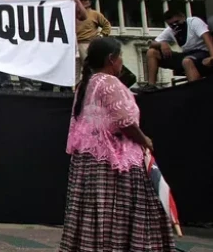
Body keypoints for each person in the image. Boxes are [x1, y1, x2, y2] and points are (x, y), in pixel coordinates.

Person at [59, 37, 174, 252]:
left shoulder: (85, 84)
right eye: (120, 57)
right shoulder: (109, 83)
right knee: (119, 213)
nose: (122, 62)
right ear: (111, 59)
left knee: (95, 215)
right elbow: (125, 122)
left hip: (89, 161)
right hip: (113, 162)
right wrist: (145, 140)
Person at [143, 8, 213, 90]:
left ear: (183, 17)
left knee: (187, 61)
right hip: (186, 54)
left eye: (177, 22)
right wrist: (161, 44)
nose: (175, 25)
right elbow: (152, 44)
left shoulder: (194, 22)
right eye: (171, 24)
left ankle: (196, 90)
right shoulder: (171, 30)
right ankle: (151, 85)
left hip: (202, 52)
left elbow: (207, 37)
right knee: (152, 52)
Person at [40, 0, 86, 92]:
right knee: (50, 67)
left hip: (67, 42)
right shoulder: (47, 5)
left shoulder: (70, 5)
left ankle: (66, 88)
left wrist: (77, 0)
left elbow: (83, 16)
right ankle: (47, 89)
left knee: (66, 67)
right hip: (53, 42)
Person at [74, 0, 111, 84]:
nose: (83, 2)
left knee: (89, 68)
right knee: (74, 70)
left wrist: (101, 36)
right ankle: (74, 89)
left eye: (85, 0)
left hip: (87, 43)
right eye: (81, 0)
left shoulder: (95, 14)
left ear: (89, 2)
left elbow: (107, 25)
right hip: (73, 44)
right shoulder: (73, 12)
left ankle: (92, 86)